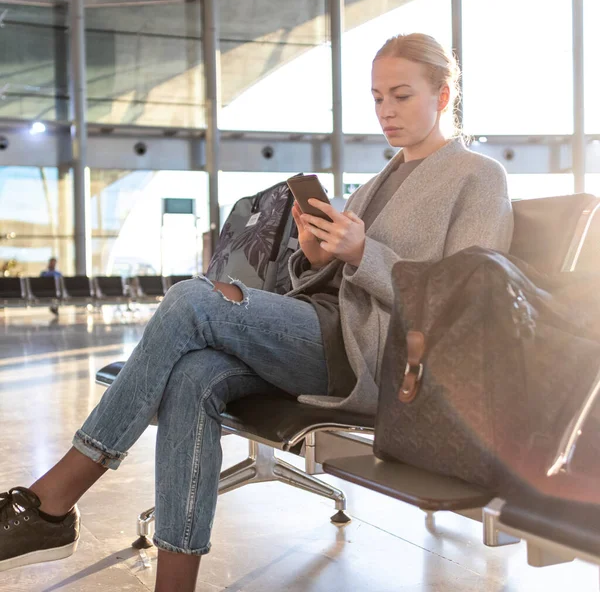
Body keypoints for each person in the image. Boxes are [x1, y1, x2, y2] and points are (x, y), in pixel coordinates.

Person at [0, 33, 513, 590]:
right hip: (323, 332)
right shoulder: (377, 184)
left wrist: (363, 252)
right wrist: (316, 255)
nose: (385, 111)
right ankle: (174, 583)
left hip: (369, 357)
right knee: (194, 375)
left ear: (443, 97)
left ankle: (55, 499)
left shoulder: (479, 178)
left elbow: (465, 303)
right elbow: (334, 282)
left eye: (401, 95)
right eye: (376, 97)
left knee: (192, 298)